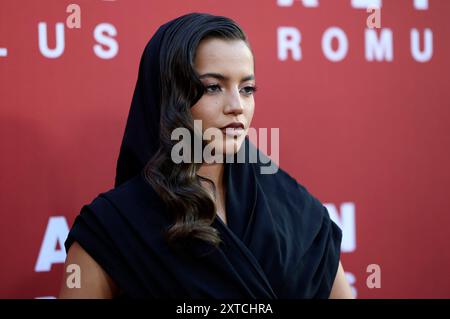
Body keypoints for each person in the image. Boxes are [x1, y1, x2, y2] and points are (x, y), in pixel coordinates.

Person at [59, 12, 353, 299]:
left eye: (247, 88)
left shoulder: (296, 208)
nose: (237, 105)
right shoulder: (113, 226)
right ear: (167, 96)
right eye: (213, 87)